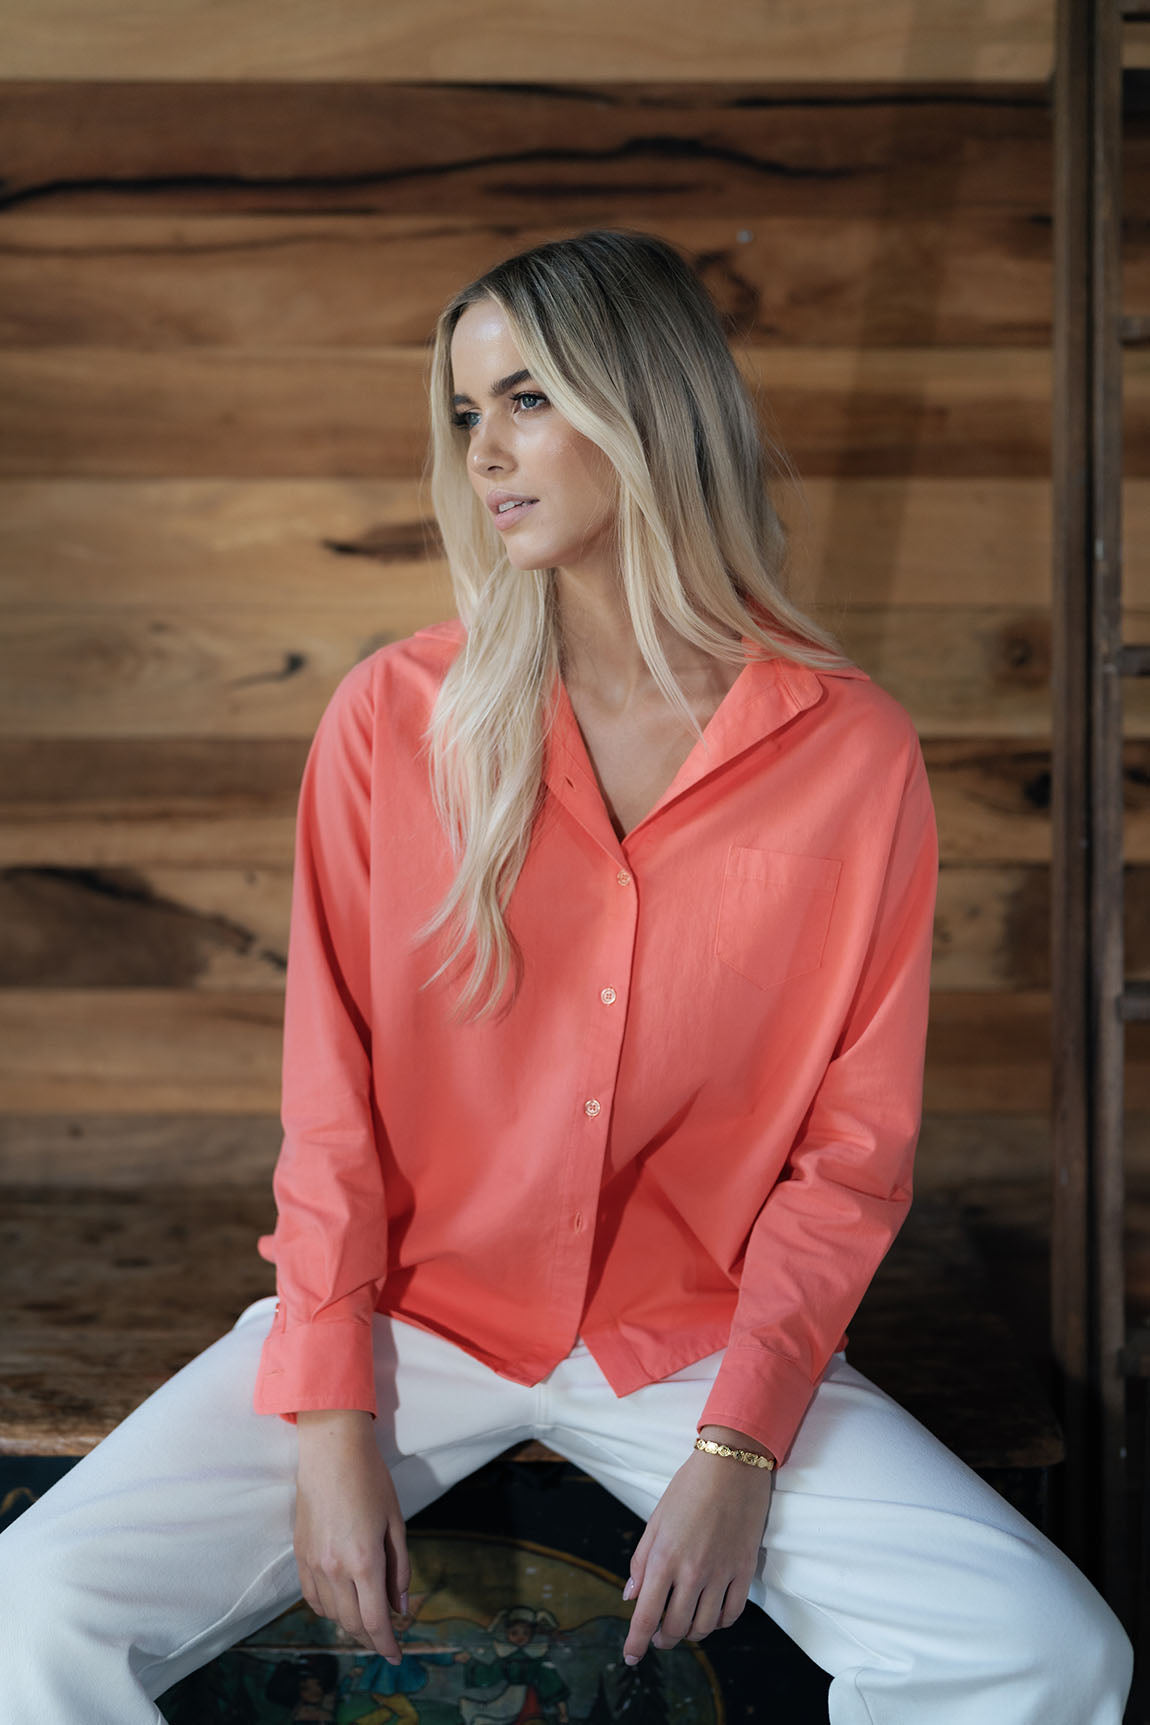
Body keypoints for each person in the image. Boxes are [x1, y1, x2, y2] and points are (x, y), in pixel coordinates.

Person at [0, 228, 1133, 1723]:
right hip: (409, 1318)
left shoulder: (850, 753)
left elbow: (850, 1156)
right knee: (30, 1611)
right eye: (467, 411)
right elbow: (332, 1103)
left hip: (691, 1339)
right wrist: (332, 1419)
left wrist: (738, 1446)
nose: (485, 451)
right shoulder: (393, 717)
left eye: (528, 399)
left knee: (1046, 1648)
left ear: (647, 407)